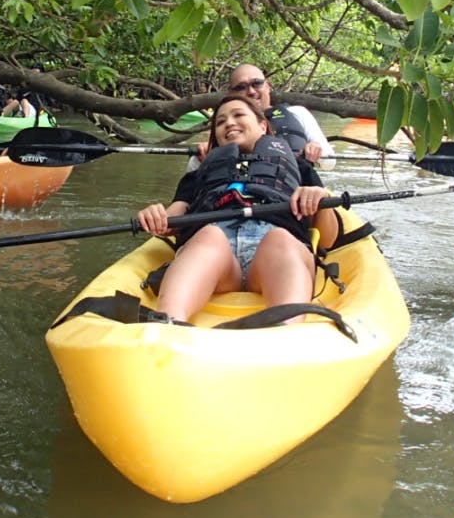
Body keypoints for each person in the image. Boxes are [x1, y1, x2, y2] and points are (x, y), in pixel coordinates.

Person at [135, 95, 337, 323]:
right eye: (220, 122)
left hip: (274, 253)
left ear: (263, 125)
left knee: (279, 239)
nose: (229, 123)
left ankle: (286, 330)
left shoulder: (300, 168)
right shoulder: (198, 174)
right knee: (209, 236)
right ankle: (168, 323)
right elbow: (172, 219)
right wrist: (156, 216)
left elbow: (328, 240)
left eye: (239, 115)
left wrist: (320, 201)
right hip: (218, 257)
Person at [225, 63, 330, 164]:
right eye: (241, 87)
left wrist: (315, 149)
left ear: (268, 86)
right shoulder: (227, 124)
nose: (251, 91)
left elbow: (330, 162)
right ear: (231, 93)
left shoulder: (297, 112)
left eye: (257, 83)